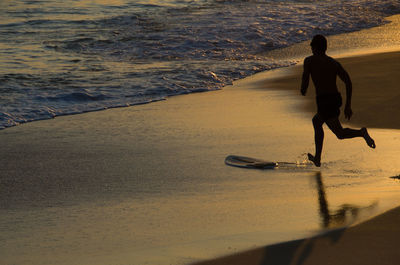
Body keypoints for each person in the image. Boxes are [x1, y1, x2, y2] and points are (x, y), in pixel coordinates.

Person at [301, 34, 375, 167]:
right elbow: (348, 82)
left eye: (312, 46)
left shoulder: (309, 61)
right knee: (327, 127)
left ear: (316, 47)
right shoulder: (333, 63)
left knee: (327, 127)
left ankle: (361, 133)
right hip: (334, 99)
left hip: (325, 101)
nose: (311, 48)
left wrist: (303, 89)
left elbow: (305, 80)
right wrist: (347, 105)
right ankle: (318, 157)